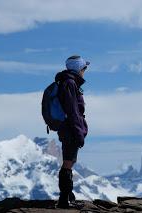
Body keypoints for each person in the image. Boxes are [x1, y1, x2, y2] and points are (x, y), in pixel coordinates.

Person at [54, 55, 89, 208]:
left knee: (70, 161)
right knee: (68, 162)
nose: (84, 71)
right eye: (84, 68)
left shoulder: (67, 82)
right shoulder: (69, 83)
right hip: (70, 129)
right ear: (78, 69)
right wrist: (79, 133)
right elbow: (73, 111)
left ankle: (68, 196)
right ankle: (64, 201)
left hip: (67, 128)